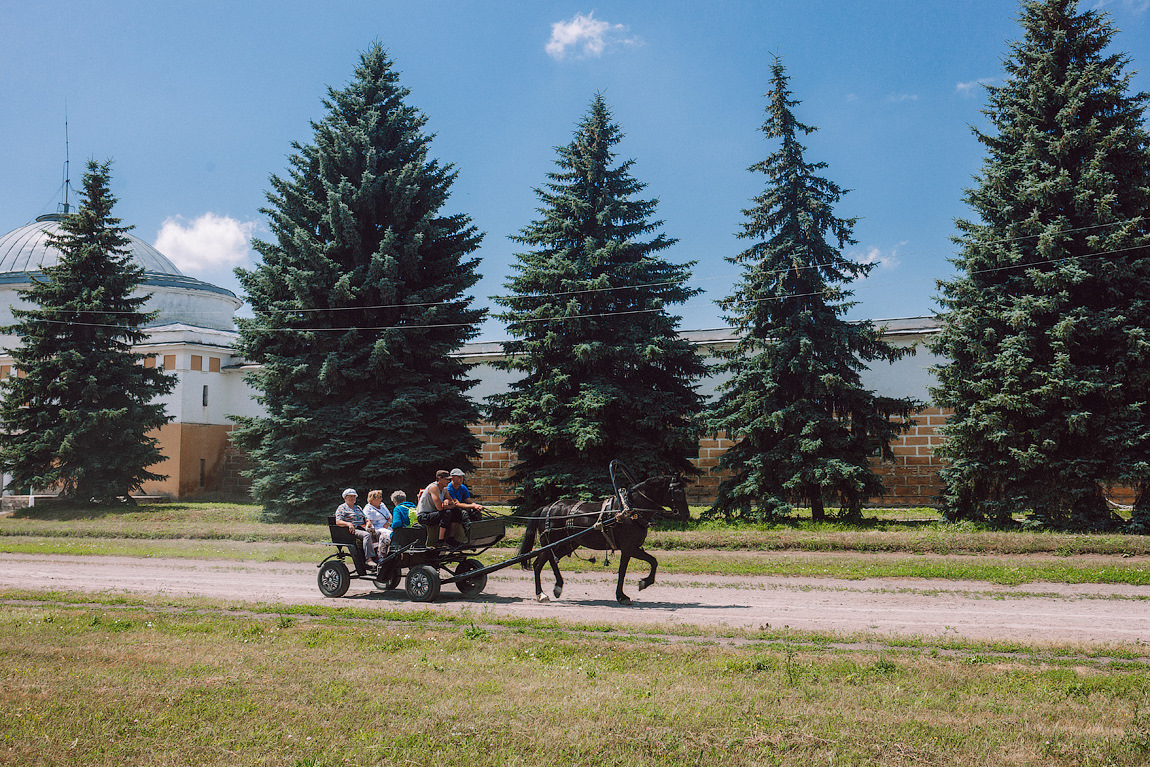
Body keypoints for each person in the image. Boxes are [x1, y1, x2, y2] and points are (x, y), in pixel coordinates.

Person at [416, 469, 464, 547]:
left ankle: (451, 539)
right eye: (446, 479)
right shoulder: (433, 488)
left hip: (434, 514)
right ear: (439, 479)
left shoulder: (444, 489)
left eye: (449, 479)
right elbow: (440, 508)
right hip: (424, 516)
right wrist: (450, 505)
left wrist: (446, 500)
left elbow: (452, 501)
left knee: (457, 511)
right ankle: (440, 541)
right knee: (447, 513)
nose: (448, 481)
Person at [334, 488, 377, 567]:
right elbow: (338, 522)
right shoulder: (342, 508)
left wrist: (368, 521)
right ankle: (369, 559)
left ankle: (380, 557)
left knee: (379, 533)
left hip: (362, 528)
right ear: (345, 497)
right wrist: (348, 524)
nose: (353, 498)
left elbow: (365, 518)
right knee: (367, 535)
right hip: (351, 531)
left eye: (354, 496)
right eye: (350, 496)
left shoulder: (358, 507)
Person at [363, 489, 392, 555]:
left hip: (387, 527)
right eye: (379, 497)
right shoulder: (368, 508)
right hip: (378, 529)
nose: (381, 499)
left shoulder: (382, 505)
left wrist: (387, 524)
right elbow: (369, 522)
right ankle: (381, 556)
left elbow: (390, 516)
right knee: (389, 535)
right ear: (372, 499)